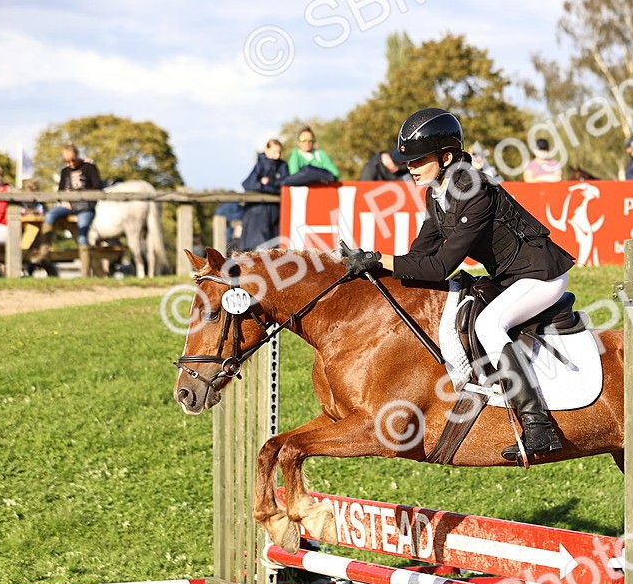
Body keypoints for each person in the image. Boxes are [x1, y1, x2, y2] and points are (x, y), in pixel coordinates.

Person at [343, 107, 575, 461]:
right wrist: (373, 269)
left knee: (489, 325)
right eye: (409, 161)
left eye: (418, 160)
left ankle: (538, 426)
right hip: (510, 279)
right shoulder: (436, 194)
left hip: (540, 276)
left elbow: (440, 267)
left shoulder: (474, 190)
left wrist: (380, 258)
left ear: (446, 157)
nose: (410, 167)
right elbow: (419, 256)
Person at [33, 143, 102, 276]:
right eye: (67, 161)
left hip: (85, 206)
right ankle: (44, 253)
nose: (71, 163)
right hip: (68, 205)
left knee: (82, 235)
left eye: (73, 160)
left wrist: (78, 196)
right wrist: (64, 200)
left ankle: (85, 274)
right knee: (49, 215)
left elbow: (97, 187)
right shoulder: (65, 170)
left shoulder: (89, 167)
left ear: (77, 155)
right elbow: (60, 190)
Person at [240, 139, 289, 250]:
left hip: (273, 212)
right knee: (256, 247)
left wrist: (267, 184)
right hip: (258, 212)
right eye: (274, 152)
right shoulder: (260, 165)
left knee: (272, 247)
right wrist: (266, 186)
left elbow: (284, 183)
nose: (277, 156)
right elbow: (249, 184)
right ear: (266, 150)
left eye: (279, 152)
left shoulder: (282, 166)